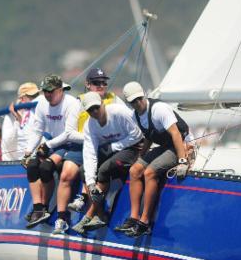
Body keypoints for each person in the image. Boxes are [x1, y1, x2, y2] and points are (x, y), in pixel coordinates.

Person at [120, 81, 196, 237]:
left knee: (150, 172)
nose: (138, 103)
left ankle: (145, 221)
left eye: (139, 98)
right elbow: (149, 136)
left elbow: (175, 134)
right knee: (135, 170)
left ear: (144, 95)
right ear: (129, 103)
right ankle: (134, 217)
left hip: (181, 144)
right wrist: (141, 157)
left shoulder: (158, 109)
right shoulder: (135, 116)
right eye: (133, 101)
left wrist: (182, 161)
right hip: (166, 146)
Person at [70, 92, 144, 235]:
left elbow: (137, 135)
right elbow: (89, 153)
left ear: (103, 104)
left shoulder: (119, 112)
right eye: (90, 110)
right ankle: (100, 214)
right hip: (112, 150)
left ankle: (92, 216)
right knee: (84, 171)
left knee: (104, 170)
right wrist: (91, 183)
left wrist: (113, 147)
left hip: (134, 147)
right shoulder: (89, 125)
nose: (95, 112)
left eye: (97, 107)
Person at [22, 74, 83, 231]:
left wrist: (47, 145)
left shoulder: (71, 103)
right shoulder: (42, 103)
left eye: (51, 91)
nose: (47, 95)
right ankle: (38, 208)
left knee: (46, 168)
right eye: (45, 91)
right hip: (55, 144)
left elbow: (69, 133)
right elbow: (37, 129)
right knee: (32, 166)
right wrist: (28, 151)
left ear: (60, 90)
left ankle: (46, 206)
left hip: (70, 143)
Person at [68, 67, 129, 214]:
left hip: (108, 144)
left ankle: (88, 203)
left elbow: (130, 120)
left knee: (100, 166)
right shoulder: (79, 102)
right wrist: (92, 140)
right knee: (69, 172)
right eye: (96, 83)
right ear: (88, 84)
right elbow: (69, 132)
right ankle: (66, 213)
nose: (101, 86)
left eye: (104, 83)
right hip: (85, 144)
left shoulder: (114, 99)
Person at [1, 82, 40, 162]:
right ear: (22, 99)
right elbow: (7, 142)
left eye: (36, 95)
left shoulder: (40, 108)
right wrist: (17, 119)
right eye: (32, 96)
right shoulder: (10, 117)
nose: (36, 98)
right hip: (16, 160)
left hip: (36, 157)